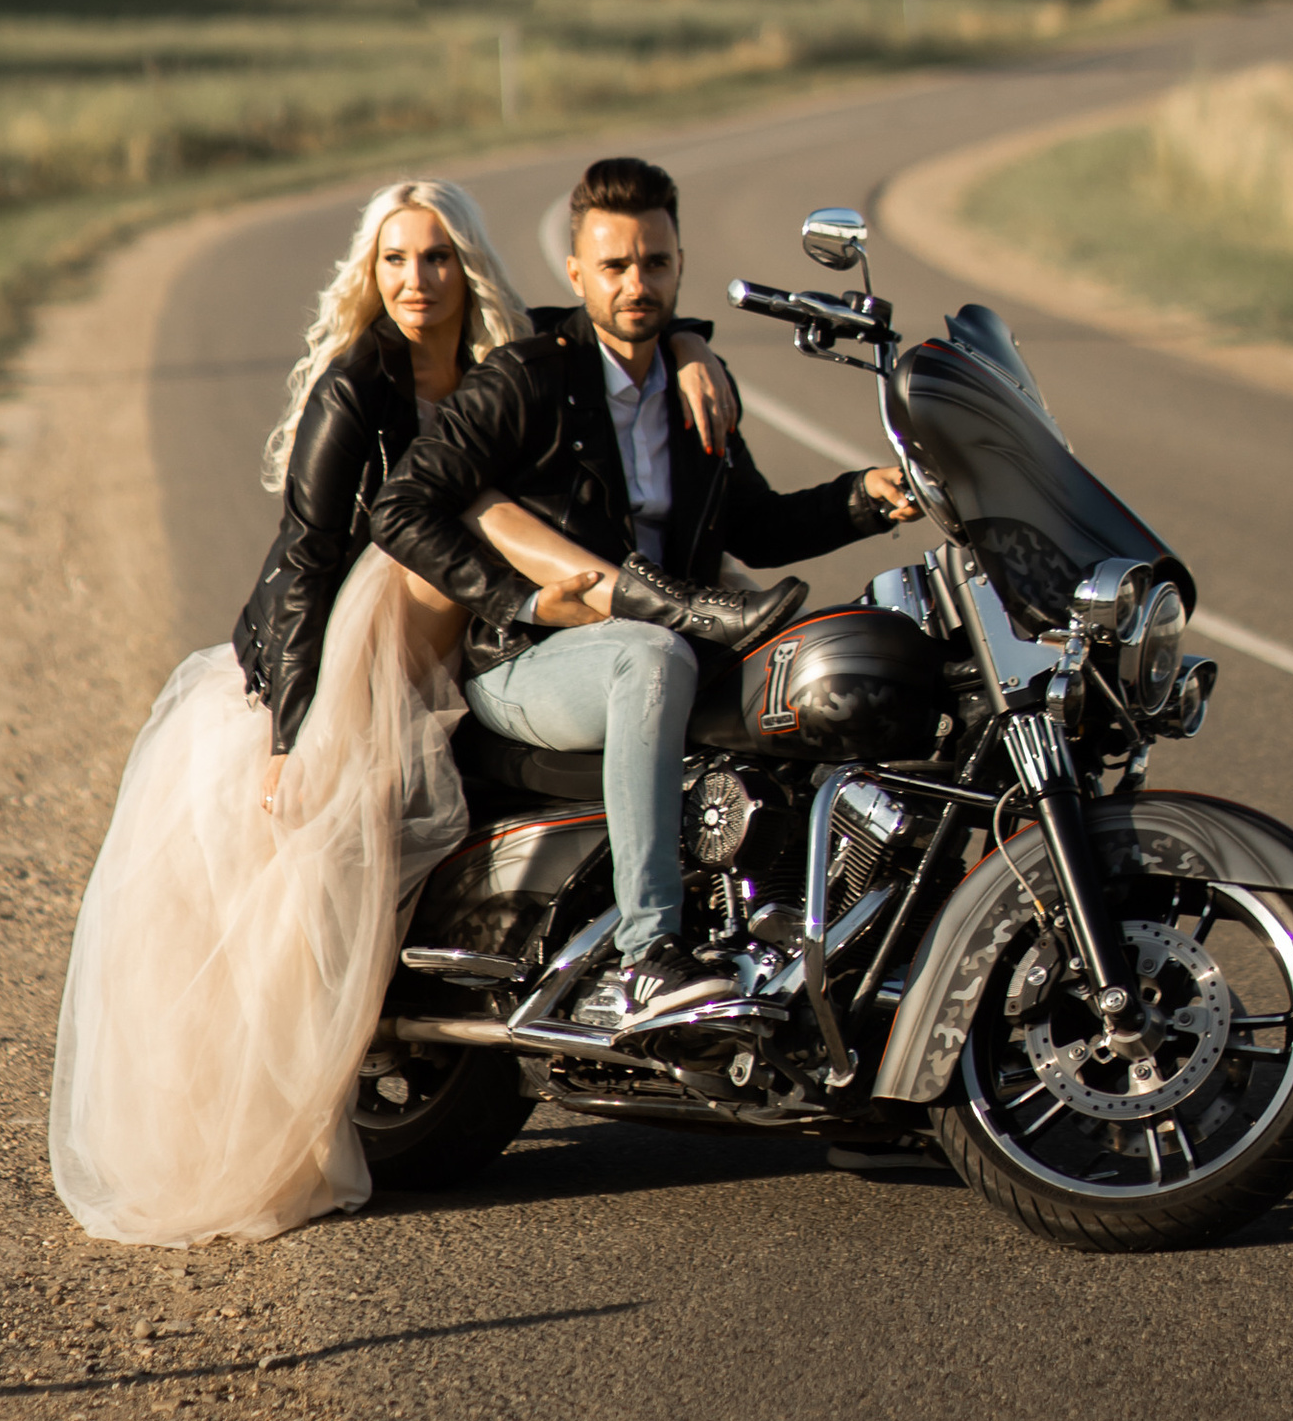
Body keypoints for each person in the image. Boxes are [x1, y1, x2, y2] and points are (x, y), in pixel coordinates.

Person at [46, 175, 737, 1244]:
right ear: (371, 275)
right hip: (352, 646)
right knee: (336, 859)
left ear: (470, 268)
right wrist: (291, 725)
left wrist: (691, 345)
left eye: (439, 257)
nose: (418, 279)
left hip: (468, 634)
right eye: (396, 259)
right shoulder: (353, 386)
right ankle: (277, 1098)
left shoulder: (506, 368)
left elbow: (604, 316)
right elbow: (307, 562)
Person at [372, 152, 921, 1031]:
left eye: (655, 264)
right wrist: (516, 602)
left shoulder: (693, 387)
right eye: (617, 266)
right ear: (577, 271)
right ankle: (647, 954)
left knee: (834, 668)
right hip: (531, 664)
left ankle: (821, 947)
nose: (637, 284)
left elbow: (761, 526)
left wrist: (872, 495)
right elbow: (402, 505)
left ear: (678, 267)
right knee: (653, 651)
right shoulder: (531, 377)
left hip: (666, 645)